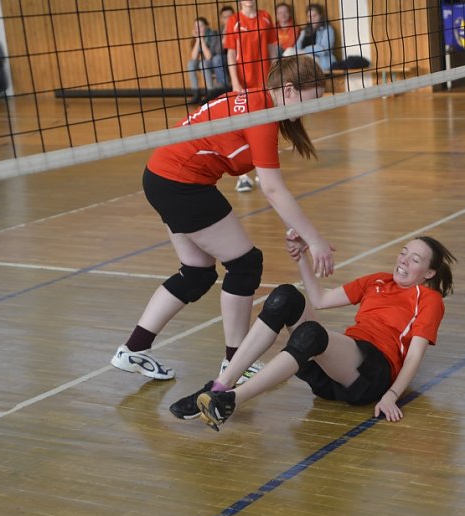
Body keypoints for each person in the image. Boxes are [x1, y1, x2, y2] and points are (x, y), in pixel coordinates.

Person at [110, 56, 335, 389]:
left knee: (197, 273)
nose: (310, 110)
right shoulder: (261, 116)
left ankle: (134, 349)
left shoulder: (256, 101)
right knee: (246, 265)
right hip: (180, 184)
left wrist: (299, 225)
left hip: (163, 177)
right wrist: (314, 239)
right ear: (288, 90)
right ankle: (237, 361)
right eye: (310, 100)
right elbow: (271, 188)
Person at [167, 231, 455, 428]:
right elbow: (320, 299)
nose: (403, 260)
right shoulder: (378, 281)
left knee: (313, 335)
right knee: (285, 296)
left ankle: (229, 401)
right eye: (404, 253)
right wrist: (302, 257)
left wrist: (392, 394)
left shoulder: (429, 300)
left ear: (429, 273)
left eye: (414, 260)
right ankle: (218, 387)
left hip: (372, 374)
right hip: (334, 374)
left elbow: (415, 356)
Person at [223, 0, 278, 193]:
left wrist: (274, 77)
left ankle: (263, 173)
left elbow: (272, 49)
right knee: (240, 128)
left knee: (266, 126)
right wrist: (236, 83)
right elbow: (230, 54)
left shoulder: (265, 17)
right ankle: (242, 177)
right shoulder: (234, 20)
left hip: (264, 82)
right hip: (243, 82)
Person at [283, 4, 338, 73]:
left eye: (315, 16)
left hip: (321, 61)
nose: (312, 19)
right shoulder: (305, 31)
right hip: (305, 60)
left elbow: (323, 49)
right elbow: (296, 48)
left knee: (289, 52)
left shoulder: (327, 29)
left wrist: (305, 51)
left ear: (320, 15)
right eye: (309, 16)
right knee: (289, 52)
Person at [186, 17, 224, 104]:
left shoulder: (213, 35)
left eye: (200, 26)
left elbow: (208, 57)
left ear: (206, 26)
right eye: (195, 27)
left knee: (203, 64)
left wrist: (202, 40)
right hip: (204, 62)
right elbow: (194, 57)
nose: (198, 29)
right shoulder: (196, 38)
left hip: (214, 62)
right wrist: (198, 40)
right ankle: (196, 94)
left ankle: (210, 92)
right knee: (191, 64)